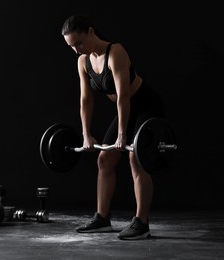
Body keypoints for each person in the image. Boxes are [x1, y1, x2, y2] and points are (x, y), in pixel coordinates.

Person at [61, 14, 165, 240]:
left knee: (136, 158)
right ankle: (102, 218)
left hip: (144, 104)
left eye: (78, 43)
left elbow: (124, 96)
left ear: (90, 31)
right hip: (125, 108)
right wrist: (86, 134)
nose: (76, 50)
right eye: (71, 46)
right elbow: (85, 100)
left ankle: (141, 223)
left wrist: (122, 135)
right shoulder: (83, 62)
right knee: (104, 159)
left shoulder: (115, 52)